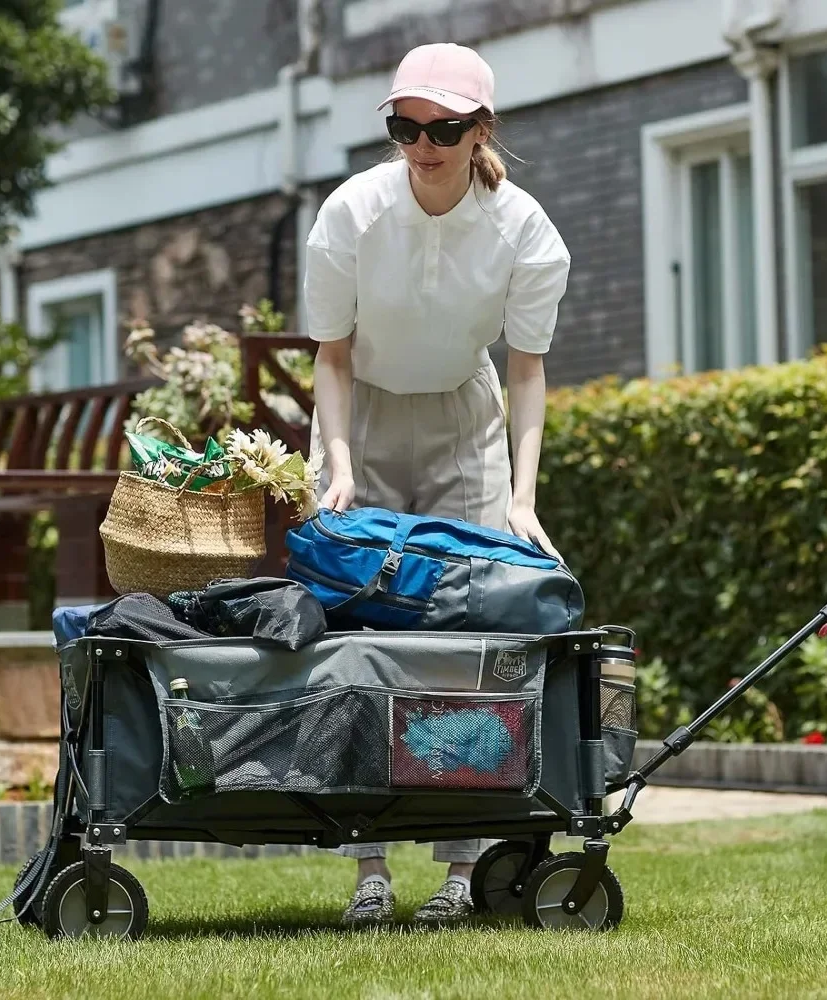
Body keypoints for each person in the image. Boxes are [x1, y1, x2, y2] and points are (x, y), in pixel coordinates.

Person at [304, 41, 571, 928]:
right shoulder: (352, 212)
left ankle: (459, 871)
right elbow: (332, 354)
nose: (423, 143)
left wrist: (521, 501)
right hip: (363, 412)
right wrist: (339, 469)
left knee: (470, 636)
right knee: (346, 626)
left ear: (480, 130)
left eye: (444, 127)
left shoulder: (523, 230)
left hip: (464, 413)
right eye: (406, 125)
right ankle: (367, 871)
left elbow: (525, 369)